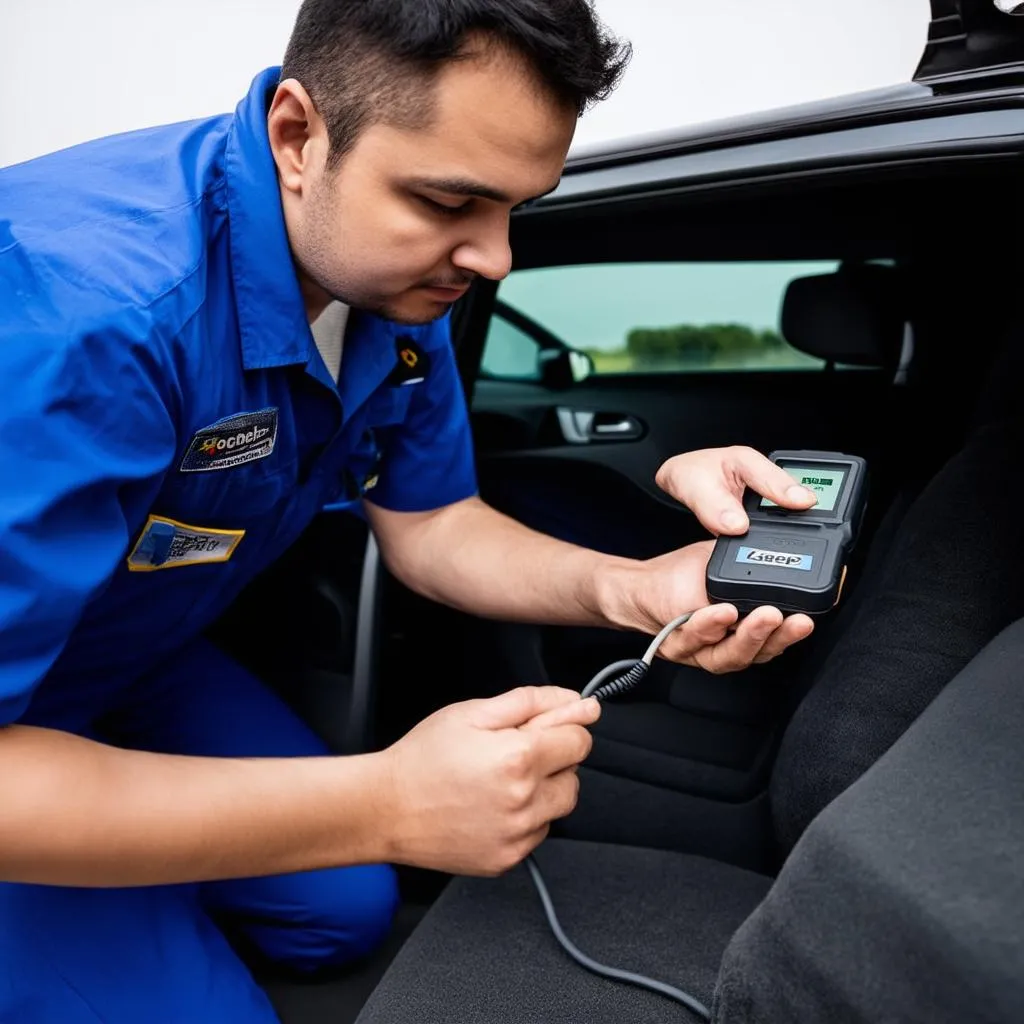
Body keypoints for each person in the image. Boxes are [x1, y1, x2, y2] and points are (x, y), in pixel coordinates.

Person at [0, 1, 817, 1019]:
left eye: (516, 207)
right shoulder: (83, 320)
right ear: (299, 136)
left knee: (340, 909)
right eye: (449, 202)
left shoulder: (388, 288)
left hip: (118, 651)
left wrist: (634, 587)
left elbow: (433, 525)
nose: (494, 259)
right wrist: (388, 800)